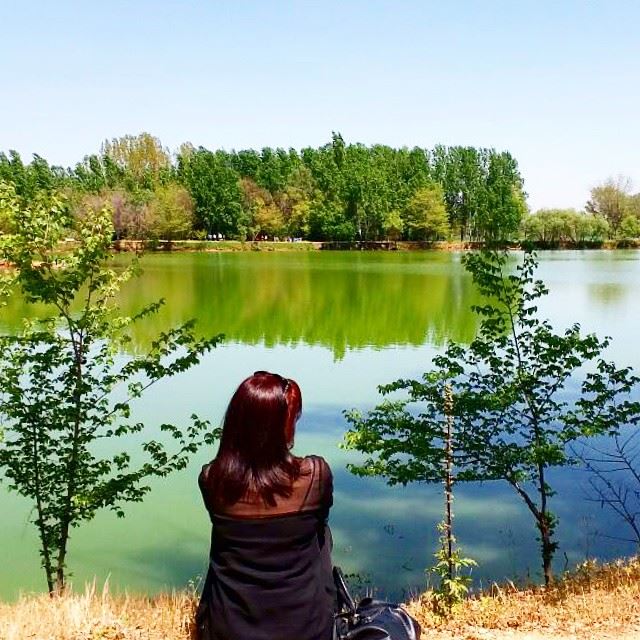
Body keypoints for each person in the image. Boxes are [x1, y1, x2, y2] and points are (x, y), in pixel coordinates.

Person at [197, 371, 335, 640]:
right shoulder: (315, 475)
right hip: (307, 629)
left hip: (227, 629)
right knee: (322, 534)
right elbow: (321, 524)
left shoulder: (211, 478)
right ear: (282, 426)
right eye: (293, 419)